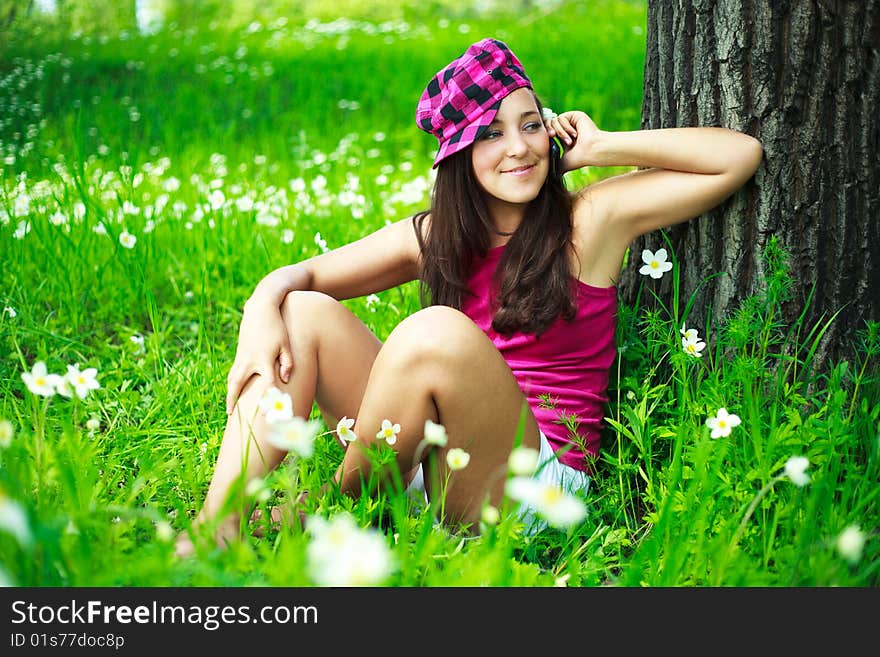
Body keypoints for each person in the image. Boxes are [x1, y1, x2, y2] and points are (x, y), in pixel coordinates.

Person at [174, 37, 763, 557]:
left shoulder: (589, 221)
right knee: (301, 313)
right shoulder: (440, 235)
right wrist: (260, 308)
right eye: (491, 133)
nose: (519, 148)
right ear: (458, 154)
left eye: (530, 124)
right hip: (437, 460)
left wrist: (601, 146)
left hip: (535, 488)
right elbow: (303, 279)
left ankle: (333, 517)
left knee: (435, 333)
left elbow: (739, 157)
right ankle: (216, 525)